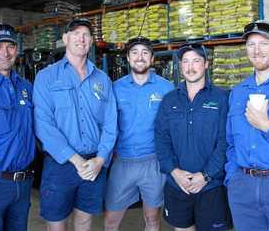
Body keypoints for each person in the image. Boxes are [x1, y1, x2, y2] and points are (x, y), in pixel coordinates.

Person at [33, 18, 117, 231]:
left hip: (94, 164)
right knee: (56, 223)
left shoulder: (102, 80)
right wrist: (77, 161)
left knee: (84, 220)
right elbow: (43, 125)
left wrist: (100, 159)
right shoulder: (46, 77)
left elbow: (111, 123)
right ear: (65, 39)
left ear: (91, 41)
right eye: (75, 33)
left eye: (86, 34)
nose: (81, 38)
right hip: (61, 164)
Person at [155, 43, 232, 231]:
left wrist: (205, 176)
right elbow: (161, 139)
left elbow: (226, 142)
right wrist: (174, 172)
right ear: (181, 66)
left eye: (196, 61)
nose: (190, 67)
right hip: (177, 185)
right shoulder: (169, 100)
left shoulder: (222, 98)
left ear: (206, 64)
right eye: (186, 61)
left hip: (212, 187)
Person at [225, 20, 269, 231]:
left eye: (264, 43)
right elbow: (230, 142)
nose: (256, 50)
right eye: (250, 44)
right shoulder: (238, 91)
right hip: (243, 187)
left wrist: (267, 127)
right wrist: (233, 179)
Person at [104, 36, 174, 231]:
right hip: (123, 163)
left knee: (152, 220)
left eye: (145, 53)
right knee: (110, 221)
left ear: (152, 59)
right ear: (128, 58)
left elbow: (172, 127)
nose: (140, 57)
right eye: (134, 52)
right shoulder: (115, 88)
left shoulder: (166, 88)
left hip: (154, 162)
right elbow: (107, 125)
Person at [0, 23, 36, 231]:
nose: (5, 52)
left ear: (17, 49)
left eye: (10, 46)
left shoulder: (26, 87)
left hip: (24, 183)